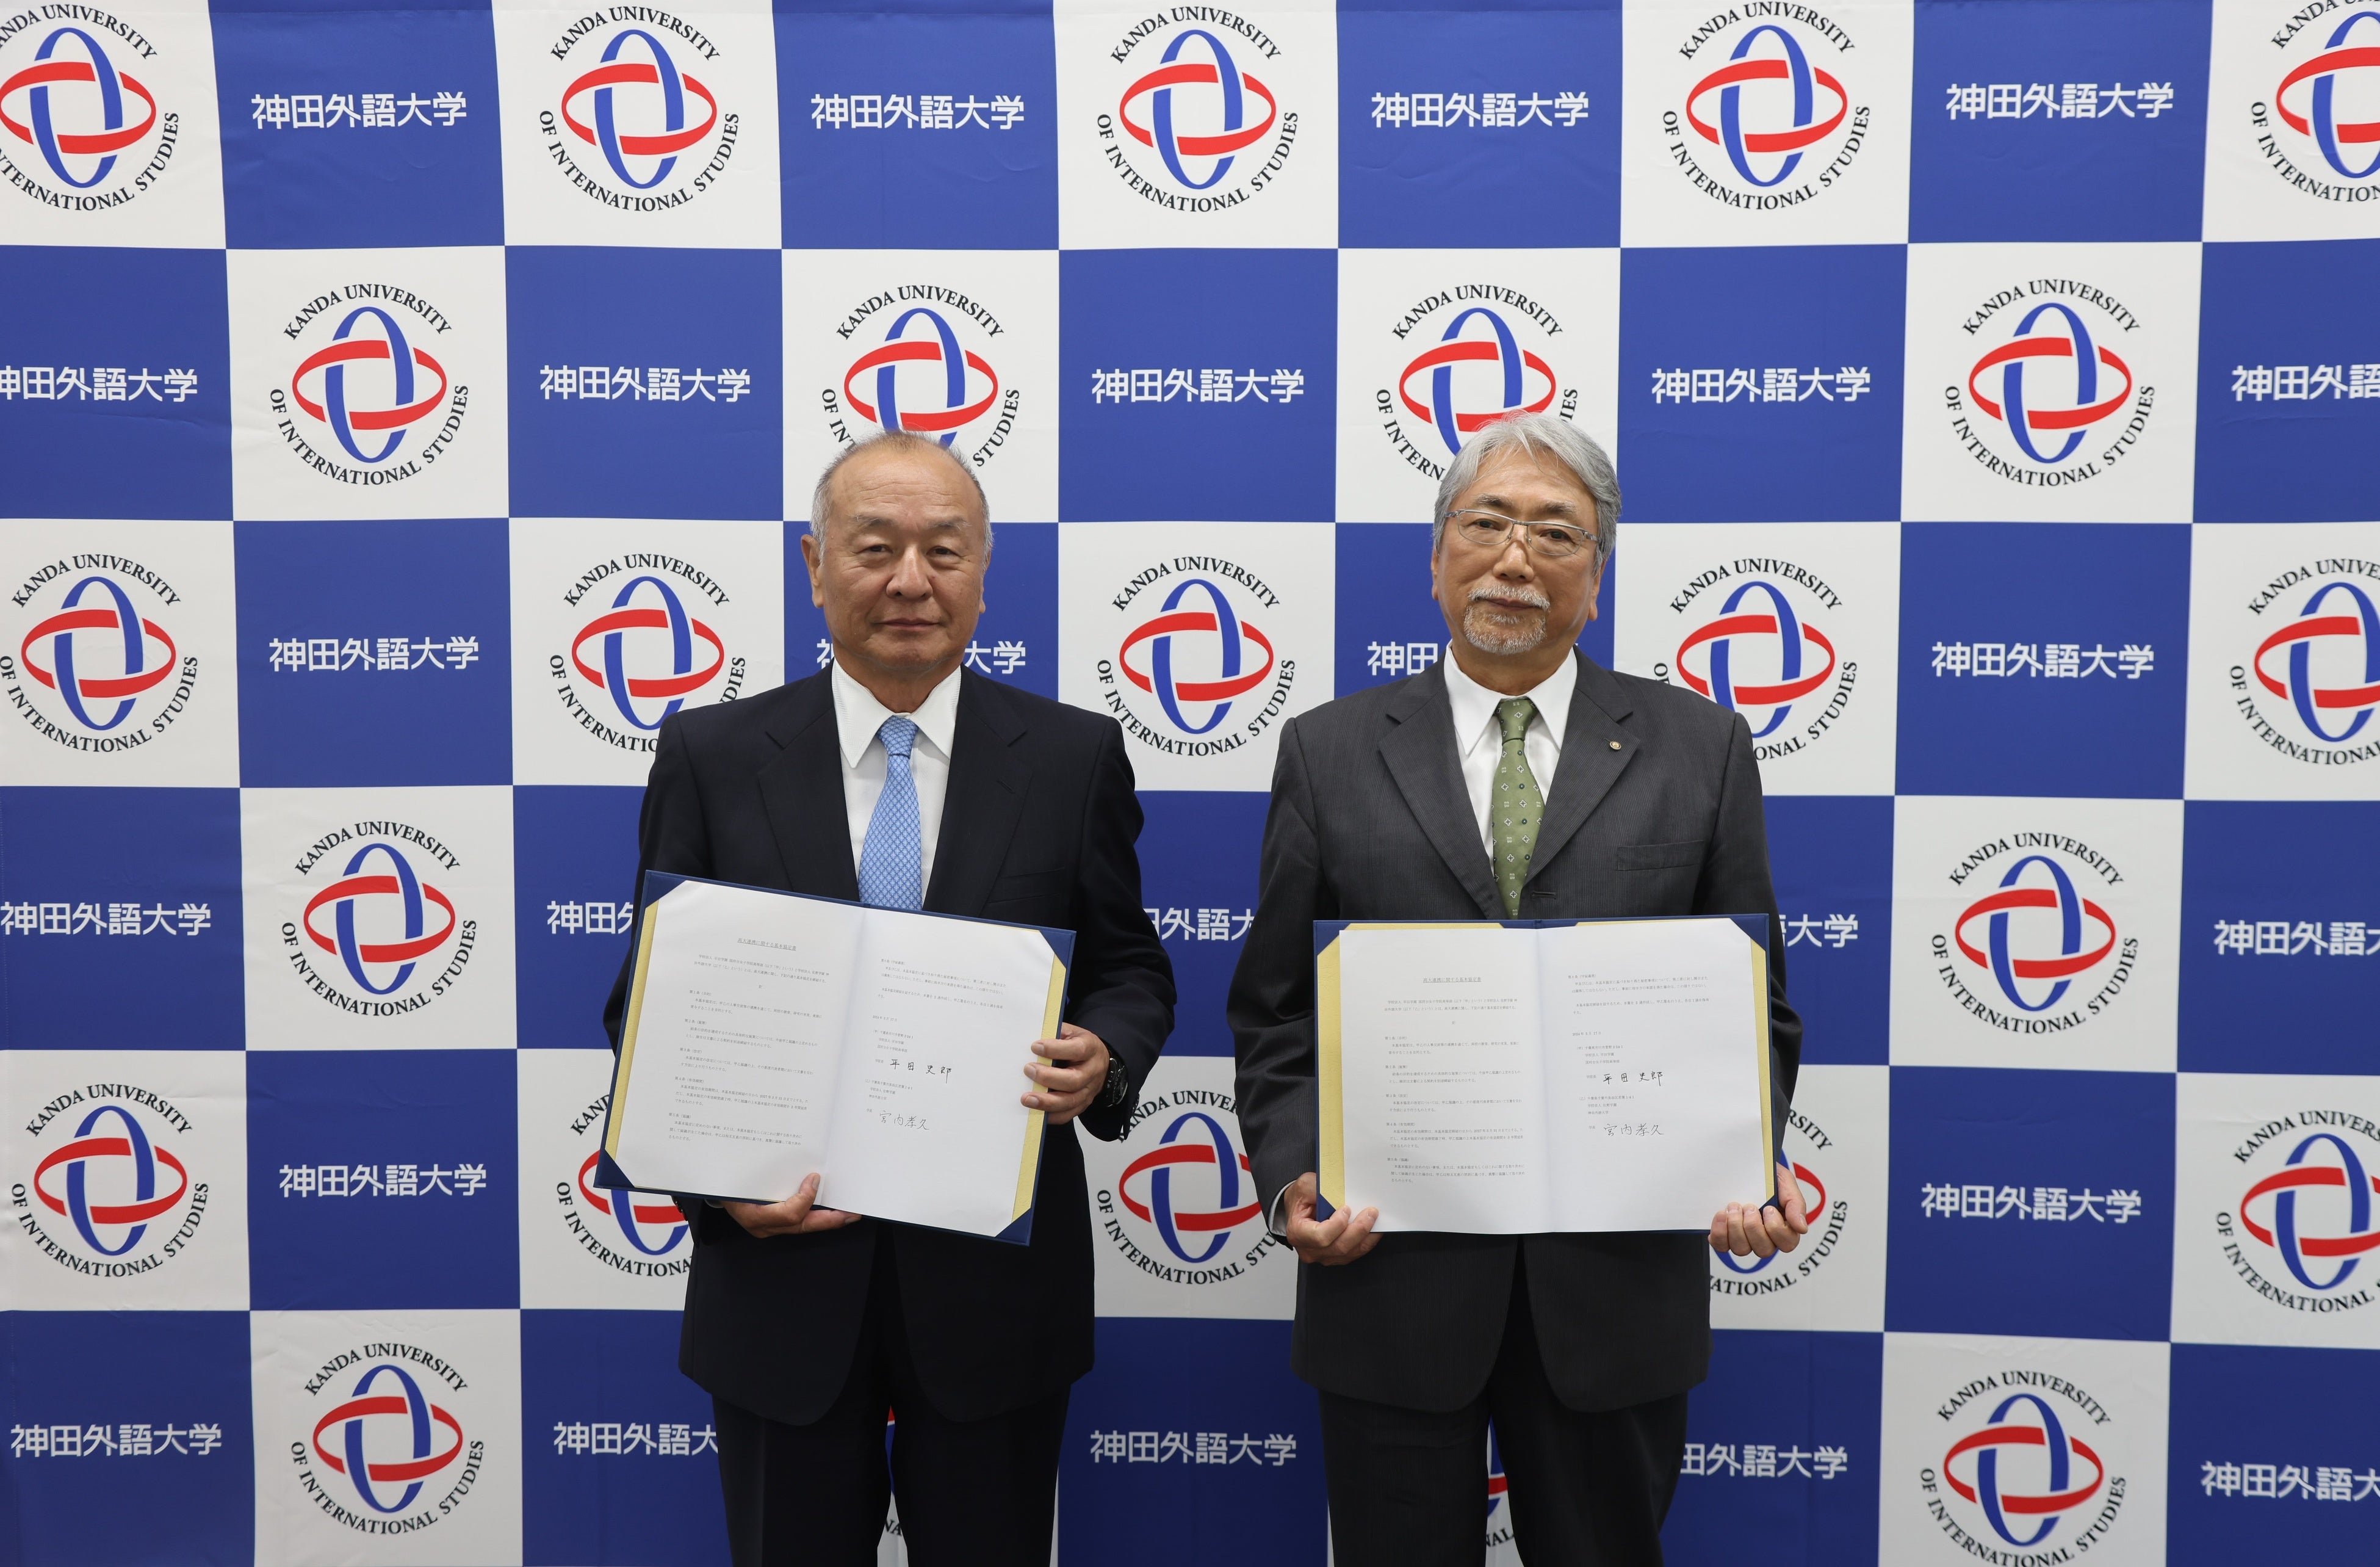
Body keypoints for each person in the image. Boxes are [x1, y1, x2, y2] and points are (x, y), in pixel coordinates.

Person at [1227, 410, 1805, 1566]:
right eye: (1487, 523)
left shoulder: (1700, 747)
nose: (1516, 559)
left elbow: (1752, 1005)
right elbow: (1278, 1006)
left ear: (1597, 575)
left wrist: (1747, 1163)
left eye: (1557, 534)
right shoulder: (1329, 750)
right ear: (1437, 554)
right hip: (1390, 1274)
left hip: (1613, 1290)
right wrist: (1293, 1175)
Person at [604, 429, 1175, 1567]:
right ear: (814, 565)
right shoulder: (715, 753)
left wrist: (1104, 1052)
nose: (910, 581)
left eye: (944, 551)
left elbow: (1131, 968)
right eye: (876, 548)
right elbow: (647, 1004)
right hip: (779, 1279)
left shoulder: (1070, 758)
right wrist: (719, 1189)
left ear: (983, 569)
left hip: (997, 1289)